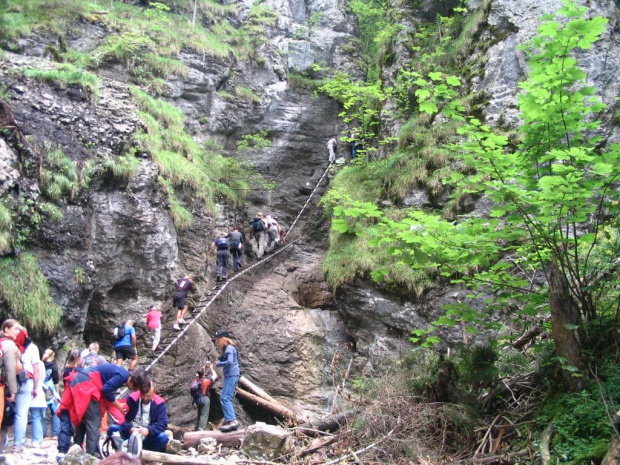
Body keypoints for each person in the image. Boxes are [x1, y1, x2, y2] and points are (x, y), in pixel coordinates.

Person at [57, 363, 137, 459]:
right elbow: (106, 390)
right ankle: (90, 456)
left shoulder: (120, 373)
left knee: (82, 420)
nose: (133, 390)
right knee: (94, 421)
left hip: (81, 383)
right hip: (88, 385)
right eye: (135, 388)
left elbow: (109, 400)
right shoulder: (123, 376)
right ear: (133, 382)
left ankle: (76, 450)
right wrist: (118, 405)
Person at [107, 375, 169, 453]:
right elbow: (120, 416)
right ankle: (121, 451)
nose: (145, 398)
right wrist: (130, 428)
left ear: (154, 392)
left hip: (147, 436)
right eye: (143, 395)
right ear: (140, 392)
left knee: (163, 438)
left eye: (148, 396)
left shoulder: (159, 403)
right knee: (113, 429)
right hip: (130, 434)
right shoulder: (132, 398)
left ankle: (146, 455)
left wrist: (148, 430)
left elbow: (163, 423)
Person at [14, 328, 41, 451]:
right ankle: (18, 444)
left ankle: (2, 442)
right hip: (26, 381)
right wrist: (35, 387)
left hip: (8, 380)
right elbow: (36, 369)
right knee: (21, 413)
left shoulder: (8, 344)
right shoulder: (32, 348)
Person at [0, 319, 22, 448]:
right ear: (6, 329)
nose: (18, 332)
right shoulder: (9, 345)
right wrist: (12, 390)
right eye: (16, 329)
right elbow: (10, 368)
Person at [213, 330, 240, 432]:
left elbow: (229, 362)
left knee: (225, 398)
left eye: (218, 340)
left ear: (223, 339)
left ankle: (232, 421)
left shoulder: (229, 348)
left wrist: (219, 363)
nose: (217, 343)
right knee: (226, 397)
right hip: (231, 375)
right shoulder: (230, 348)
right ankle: (230, 421)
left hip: (232, 375)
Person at [42, 349, 61, 437]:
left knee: (41, 411)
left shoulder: (40, 364)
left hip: (41, 389)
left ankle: (42, 432)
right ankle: (55, 432)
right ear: (52, 356)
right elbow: (56, 381)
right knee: (56, 410)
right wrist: (57, 393)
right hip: (50, 390)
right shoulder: (53, 366)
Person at [194, 362, 217, 431]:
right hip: (205, 398)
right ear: (204, 374)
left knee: (199, 414)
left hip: (197, 399)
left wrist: (203, 368)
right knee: (204, 415)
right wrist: (211, 368)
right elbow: (215, 375)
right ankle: (201, 430)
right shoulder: (206, 381)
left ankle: (196, 428)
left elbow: (199, 374)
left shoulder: (196, 381)